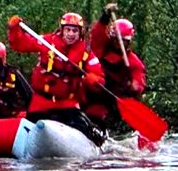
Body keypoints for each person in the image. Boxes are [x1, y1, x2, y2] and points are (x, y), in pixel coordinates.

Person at [7, 11, 106, 145]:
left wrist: (93, 79)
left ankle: (94, 142)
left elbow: (100, 78)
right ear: (62, 30)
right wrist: (14, 29)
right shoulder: (46, 42)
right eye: (68, 30)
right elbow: (19, 44)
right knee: (28, 127)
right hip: (41, 101)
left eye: (75, 31)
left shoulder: (86, 52)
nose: (71, 34)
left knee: (84, 128)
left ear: (80, 32)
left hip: (67, 103)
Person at [83, 2, 148, 132]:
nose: (119, 43)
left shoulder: (133, 61)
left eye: (122, 41)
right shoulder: (102, 48)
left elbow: (139, 79)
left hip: (112, 102)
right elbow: (97, 34)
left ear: (128, 41)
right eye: (116, 39)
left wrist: (135, 86)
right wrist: (105, 17)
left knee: (98, 115)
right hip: (92, 94)